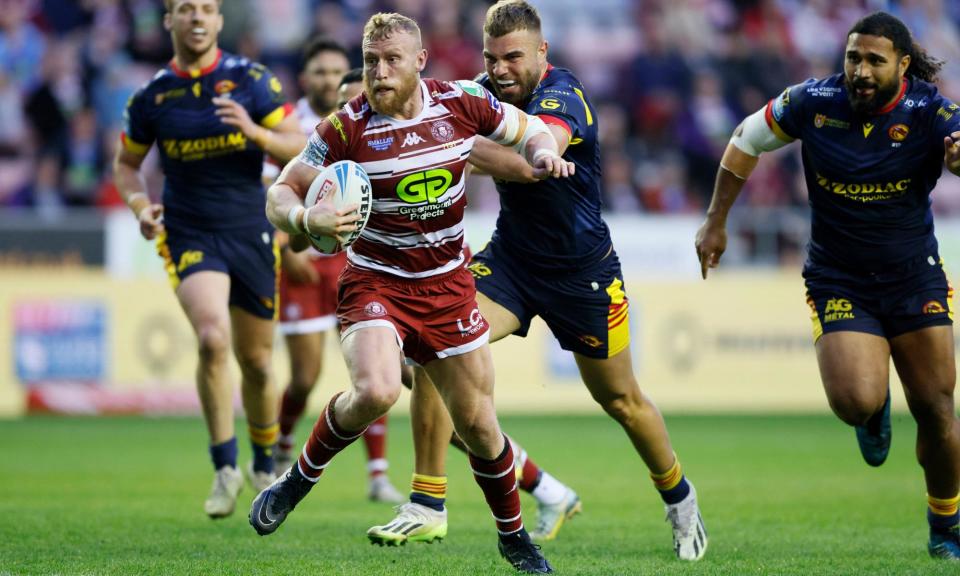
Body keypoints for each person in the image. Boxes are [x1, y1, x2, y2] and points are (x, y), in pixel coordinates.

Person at [370, 0, 708, 560]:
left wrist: (529, 150)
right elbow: (427, 117)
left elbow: (543, 138)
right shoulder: (479, 92)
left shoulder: (564, 93)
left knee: (622, 400)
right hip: (512, 264)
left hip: (584, 274)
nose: (501, 70)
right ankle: (428, 504)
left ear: (542, 53)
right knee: (431, 348)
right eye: (491, 58)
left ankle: (679, 497)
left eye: (513, 58)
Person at [250, 12, 574, 574]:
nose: (378, 72)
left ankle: (514, 537)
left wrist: (544, 151)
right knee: (376, 390)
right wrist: (307, 216)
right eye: (371, 61)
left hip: (449, 285)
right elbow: (280, 192)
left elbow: (530, 129)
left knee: (478, 426)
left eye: (391, 60)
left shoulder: (461, 102)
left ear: (420, 62)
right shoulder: (346, 126)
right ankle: (296, 481)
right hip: (376, 279)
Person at [695, 11, 960, 560]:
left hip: (915, 277)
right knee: (853, 402)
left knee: (937, 409)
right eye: (853, 58)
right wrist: (716, 220)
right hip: (839, 279)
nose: (860, 71)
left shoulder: (931, 110)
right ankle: (873, 407)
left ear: (904, 66)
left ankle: (945, 526)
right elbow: (745, 139)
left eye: (874, 61)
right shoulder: (812, 102)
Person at [112, 0, 306, 519]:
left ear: (219, 21)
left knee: (259, 364)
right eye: (184, 9)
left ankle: (264, 463)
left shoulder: (251, 80)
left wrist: (257, 132)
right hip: (189, 230)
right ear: (169, 20)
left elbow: (302, 144)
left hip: (251, 228)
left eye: (206, 9)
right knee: (211, 338)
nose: (196, 18)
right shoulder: (153, 96)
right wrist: (139, 205)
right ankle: (224, 466)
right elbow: (127, 165)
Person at [272, 43, 404, 504]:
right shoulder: (293, 127)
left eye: (335, 71)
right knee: (305, 377)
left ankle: (378, 473)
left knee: (378, 370)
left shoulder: (374, 124)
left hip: (356, 263)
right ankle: (281, 449)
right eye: (320, 71)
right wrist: (288, 246)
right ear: (306, 77)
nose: (330, 80)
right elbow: (276, 190)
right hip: (305, 261)